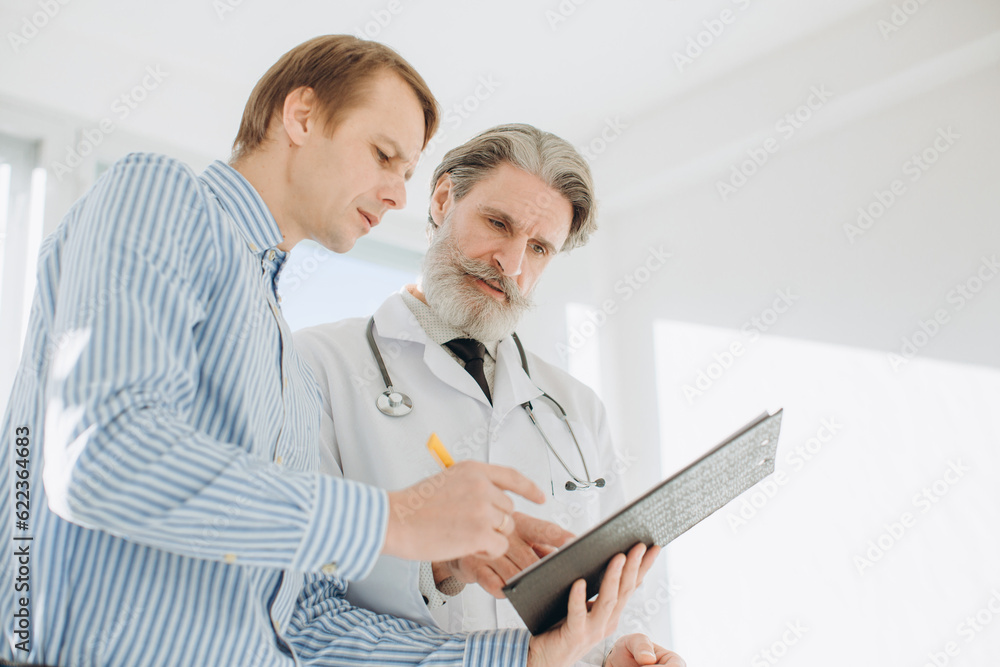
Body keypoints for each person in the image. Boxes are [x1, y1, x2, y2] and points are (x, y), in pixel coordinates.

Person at [0, 37, 666, 667]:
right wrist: (395, 518)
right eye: (382, 155)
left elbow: (305, 619)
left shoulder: (285, 374)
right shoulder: (162, 195)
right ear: (301, 115)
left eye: (405, 171)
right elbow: (102, 454)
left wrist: (514, 642)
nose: (398, 193)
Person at [294, 123, 682, 666]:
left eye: (540, 247)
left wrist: (614, 656)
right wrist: (436, 562)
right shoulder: (317, 366)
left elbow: (603, 609)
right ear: (443, 198)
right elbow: (297, 608)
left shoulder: (576, 408)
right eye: (498, 223)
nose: (513, 263)